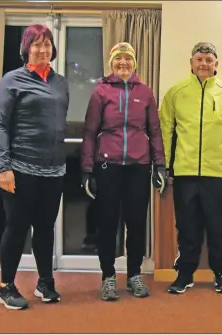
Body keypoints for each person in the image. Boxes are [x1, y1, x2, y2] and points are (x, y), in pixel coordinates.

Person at [159, 42, 222, 294]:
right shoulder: (176, 93)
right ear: (191, 62)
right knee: (187, 226)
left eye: (209, 59)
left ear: (216, 64)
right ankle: (184, 274)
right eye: (199, 59)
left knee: (219, 226)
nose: (204, 64)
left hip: (218, 174)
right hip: (185, 173)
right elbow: (165, 131)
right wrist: (164, 166)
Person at [81, 42, 166, 301]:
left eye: (127, 59)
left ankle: (134, 276)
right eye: (118, 60)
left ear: (134, 63)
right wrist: (87, 169)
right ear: (111, 63)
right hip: (108, 166)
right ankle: (108, 277)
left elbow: (154, 131)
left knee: (137, 224)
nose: (123, 64)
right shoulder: (100, 92)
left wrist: (159, 164)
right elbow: (89, 132)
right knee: (107, 224)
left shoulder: (146, 92)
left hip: (139, 167)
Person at [0, 23, 68, 310]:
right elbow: (0, 125)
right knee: (17, 226)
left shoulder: (60, 82)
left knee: (46, 228)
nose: (43, 49)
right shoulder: (11, 80)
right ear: (26, 49)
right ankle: (6, 286)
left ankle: (45, 282)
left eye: (47, 44)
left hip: (54, 170)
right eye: (36, 44)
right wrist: (4, 167)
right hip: (20, 168)